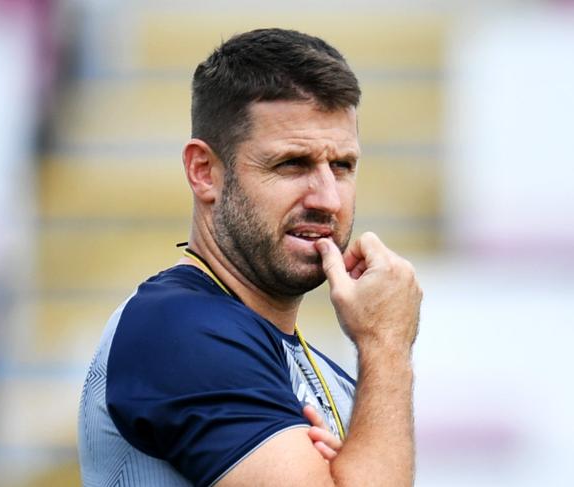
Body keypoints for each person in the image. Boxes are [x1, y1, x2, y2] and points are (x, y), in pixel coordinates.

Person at [78, 28, 422, 487]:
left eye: (342, 166)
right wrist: (386, 343)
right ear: (204, 172)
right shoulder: (178, 330)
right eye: (291, 164)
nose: (327, 199)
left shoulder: (313, 366)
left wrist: (351, 468)